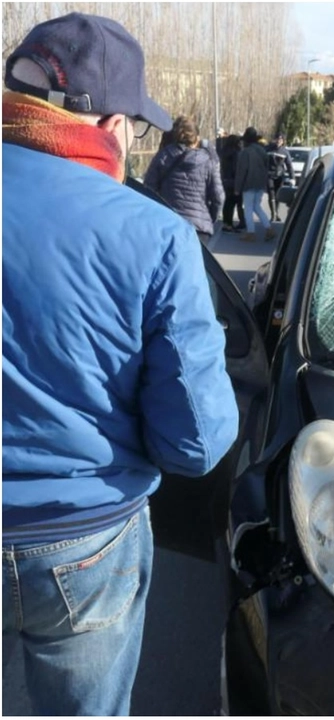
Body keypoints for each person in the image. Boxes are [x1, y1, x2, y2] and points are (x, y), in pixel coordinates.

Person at [1, 12, 238, 715]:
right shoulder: (157, 237)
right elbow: (196, 444)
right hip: (82, 541)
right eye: (136, 123)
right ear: (108, 123)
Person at [143, 114, 224, 245]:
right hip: (199, 228)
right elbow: (218, 197)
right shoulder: (207, 160)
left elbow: (148, 189)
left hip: (169, 224)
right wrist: (209, 218)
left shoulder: (163, 156)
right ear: (196, 138)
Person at [235, 125, 273, 242]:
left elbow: (241, 171)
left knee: (248, 208)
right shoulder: (263, 151)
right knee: (257, 206)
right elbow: (267, 168)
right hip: (260, 184)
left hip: (248, 184)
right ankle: (269, 228)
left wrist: (237, 187)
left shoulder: (245, 152)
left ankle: (251, 232)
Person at [266, 132, 294, 221]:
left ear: (283, 141)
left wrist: (292, 177)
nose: (278, 141)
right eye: (277, 139)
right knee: (271, 195)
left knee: (277, 195)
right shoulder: (268, 149)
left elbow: (289, 165)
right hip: (269, 175)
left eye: (281, 140)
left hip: (279, 176)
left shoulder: (285, 151)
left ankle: (276, 213)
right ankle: (273, 214)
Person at [219, 132, 244, 232]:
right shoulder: (236, 153)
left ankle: (226, 223)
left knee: (227, 202)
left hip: (225, 179)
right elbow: (236, 168)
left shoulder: (224, 152)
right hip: (234, 181)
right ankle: (230, 224)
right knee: (234, 203)